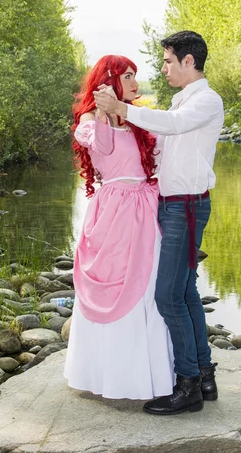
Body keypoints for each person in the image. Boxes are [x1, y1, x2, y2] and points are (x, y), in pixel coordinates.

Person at [94, 30, 224, 415]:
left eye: (168, 60)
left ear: (188, 62)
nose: (163, 67)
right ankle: (203, 375)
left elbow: (172, 124)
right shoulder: (182, 101)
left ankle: (188, 388)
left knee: (167, 296)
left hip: (185, 207)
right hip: (175, 206)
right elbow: (163, 137)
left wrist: (123, 108)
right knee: (184, 293)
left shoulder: (205, 100)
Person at [63, 55, 174, 400]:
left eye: (135, 76)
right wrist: (104, 112)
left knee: (148, 285)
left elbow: (163, 152)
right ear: (109, 80)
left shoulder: (138, 121)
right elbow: (104, 146)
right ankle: (109, 377)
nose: (135, 84)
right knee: (119, 283)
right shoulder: (90, 122)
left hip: (145, 207)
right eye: (128, 76)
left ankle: (149, 376)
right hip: (114, 210)